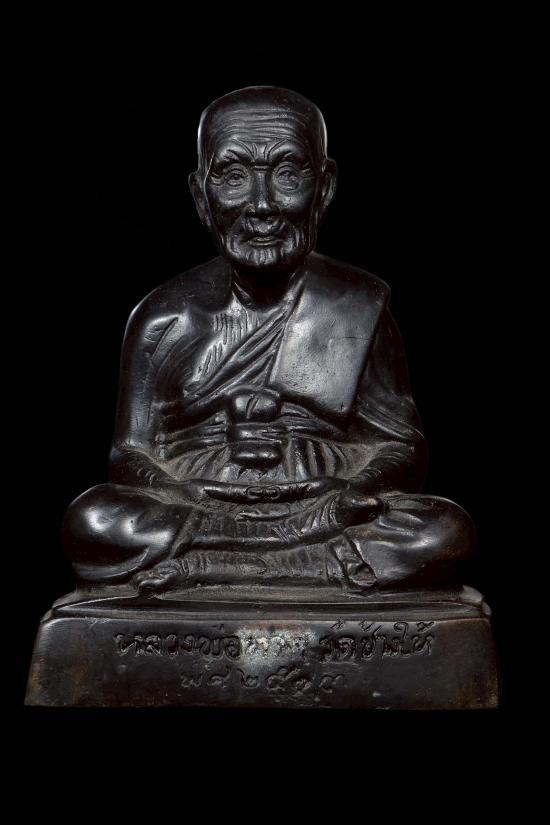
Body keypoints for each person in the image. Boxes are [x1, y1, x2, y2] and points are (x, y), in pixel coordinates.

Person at [63, 86, 474, 594]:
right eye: (234, 176)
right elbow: (130, 454)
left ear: (324, 187)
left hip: (325, 502)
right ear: (201, 195)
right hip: (206, 506)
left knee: (444, 529)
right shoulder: (164, 317)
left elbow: (400, 445)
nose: (261, 205)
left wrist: (351, 489)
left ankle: (210, 567)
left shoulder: (355, 304)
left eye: (287, 173)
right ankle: (307, 562)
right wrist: (184, 491)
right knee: (94, 519)